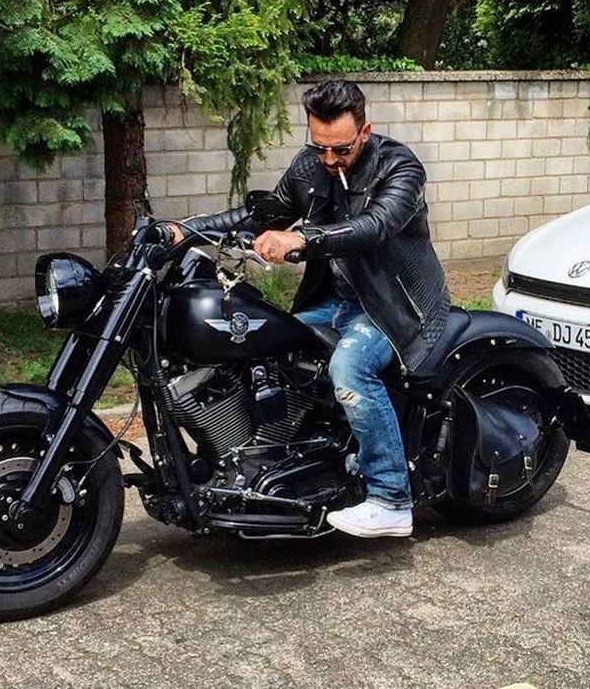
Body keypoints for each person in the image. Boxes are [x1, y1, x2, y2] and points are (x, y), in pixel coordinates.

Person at [168, 79, 450, 538]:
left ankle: (391, 498)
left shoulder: (401, 168)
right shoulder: (310, 167)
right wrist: (187, 229)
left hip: (398, 308)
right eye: (320, 148)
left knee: (350, 369)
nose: (329, 160)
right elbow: (264, 213)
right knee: (268, 348)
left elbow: (374, 226)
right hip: (334, 301)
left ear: (365, 131)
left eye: (340, 150)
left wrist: (301, 240)